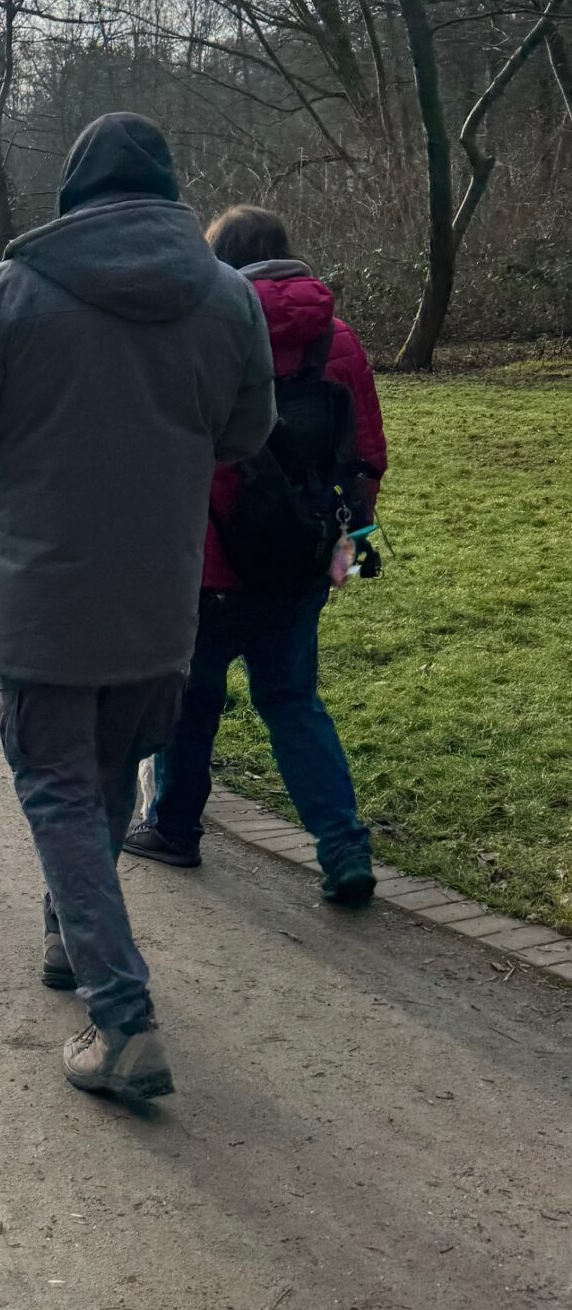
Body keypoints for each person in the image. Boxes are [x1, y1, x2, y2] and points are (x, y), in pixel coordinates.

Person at [0, 114, 274, 1103]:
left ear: (74, 192)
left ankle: (121, 1016)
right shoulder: (229, 300)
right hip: (161, 601)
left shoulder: (12, 293)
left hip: (43, 599)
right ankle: (72, 936)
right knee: (106, 775)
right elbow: (247, 430)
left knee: (59, 784)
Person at [125, 205, 387, 906]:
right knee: (294, 703)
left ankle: (174, 828)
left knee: (190, 701)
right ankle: (343, 847)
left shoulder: (199, 333)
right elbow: (366, 457)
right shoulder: (340, 339)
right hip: (298, 558)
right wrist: (348, 548)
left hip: (210, 557)